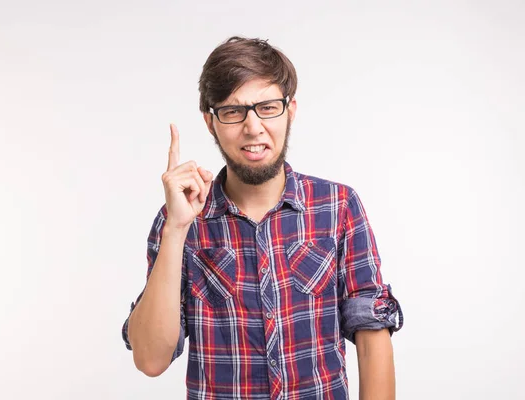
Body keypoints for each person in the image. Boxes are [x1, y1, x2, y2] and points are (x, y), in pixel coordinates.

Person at [122, 36, 404, 399]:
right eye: (233, 111)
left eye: (267, 107)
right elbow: (150, 358)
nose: (253, 127)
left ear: (291, 109)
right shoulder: (179, 219)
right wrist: (177, 229)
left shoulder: (338, 206)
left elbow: (371, 333)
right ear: (211, 122)